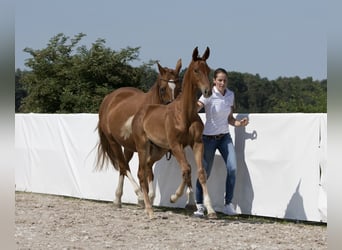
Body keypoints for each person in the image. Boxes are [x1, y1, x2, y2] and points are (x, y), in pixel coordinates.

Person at [194, 68, 249, 217]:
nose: (222, 83)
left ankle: (228, 204)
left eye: (224, 80)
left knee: (233, 168)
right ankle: (199, 205)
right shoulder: (208, 94)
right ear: (214, 81)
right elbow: (195, 108)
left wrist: (239, 123)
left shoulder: (230, 95)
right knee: (205, 172)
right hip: (209, 138)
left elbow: (229, 119)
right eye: (219, 80)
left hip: (225, 137)